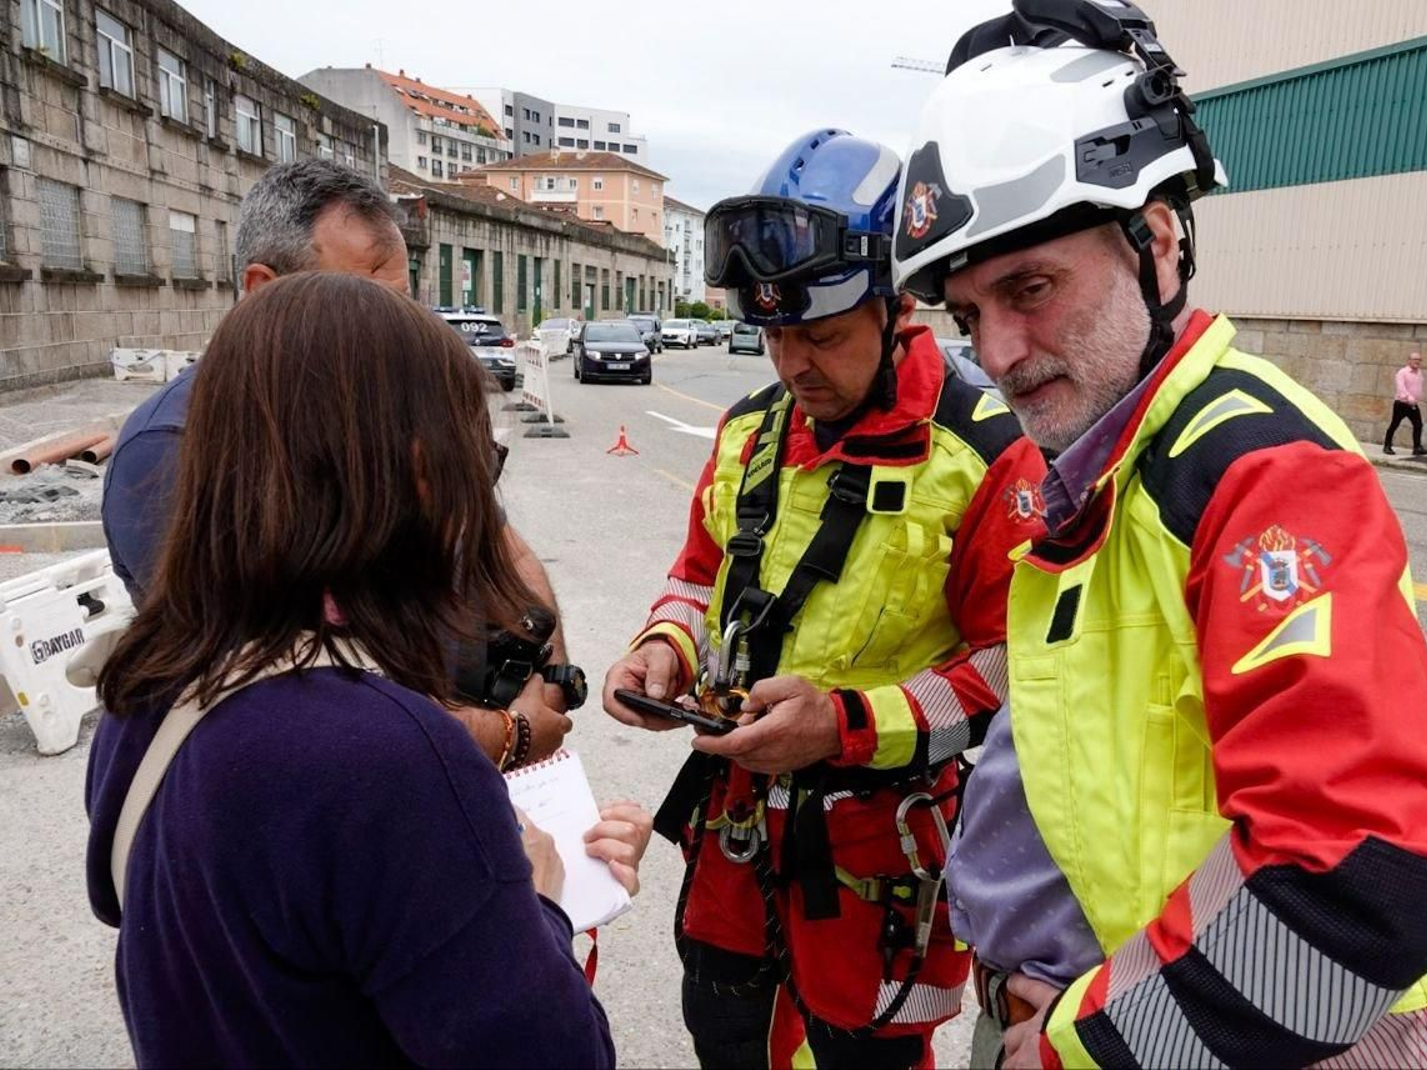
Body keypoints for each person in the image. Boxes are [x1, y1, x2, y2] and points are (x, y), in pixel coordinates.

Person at [890, 5, 1427, 1068]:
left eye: (1031, 288)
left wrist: (1081, 1040)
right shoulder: (1093, 461)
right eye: (969, 311)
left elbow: (1365, 873)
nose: (999, 349)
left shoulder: (1249, 472)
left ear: (1157, 243)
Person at [84, 273, 636, 1066]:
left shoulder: (153, 682)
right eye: (475, 462)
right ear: (418, 472)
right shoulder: (387, 758)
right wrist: (538, 904)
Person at [600, 129, 1046, 1069]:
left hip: (878, 874)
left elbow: (1016, 673)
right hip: (732, 844)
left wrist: (842, 725)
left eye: (824, 335)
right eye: (774, 335)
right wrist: (665, 652)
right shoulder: (750, 430)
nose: (795, 364)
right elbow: (697, 574)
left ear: (897, 306)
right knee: (724, 1035)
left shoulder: (984, 450)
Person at [101, 158, 570, 766]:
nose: (400, 334)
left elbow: (497, 540)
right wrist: (511, 735)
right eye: (368, 306)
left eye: (404, 306)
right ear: (265, 292)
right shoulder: (171, 452)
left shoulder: (380, 403)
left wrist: (550, 665)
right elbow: (287, 705)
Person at [1385, 351, 1427, 455]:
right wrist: (1409, 397)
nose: (1417, 362)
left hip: (1413, 404)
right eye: (1415, 359)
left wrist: (1418, 396)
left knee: (1418, 425)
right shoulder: (1402, 372)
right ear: (1409, 360)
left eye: (1419, 360)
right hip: (1401, 404)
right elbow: (1401, 388)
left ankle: (1417, 448)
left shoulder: (1419, 372)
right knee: (1394, 424)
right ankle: (1387, 446)